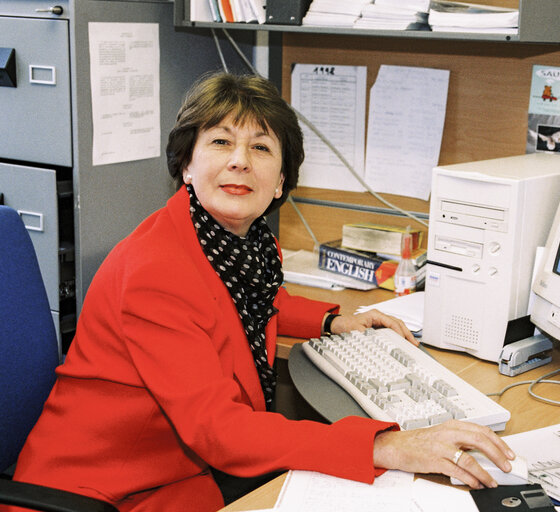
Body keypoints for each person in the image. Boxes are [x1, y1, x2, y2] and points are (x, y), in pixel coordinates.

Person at [6, 72, 516, 512]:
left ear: (279, 183)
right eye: (221, 142)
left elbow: (245, 302)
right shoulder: (153, 271)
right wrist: (390, 446)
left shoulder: (242, 244)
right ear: (187, 164)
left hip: (171, 472)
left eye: (261, 147)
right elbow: (219, 430)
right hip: (99, 489)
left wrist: (331, 321)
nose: (240, 161)